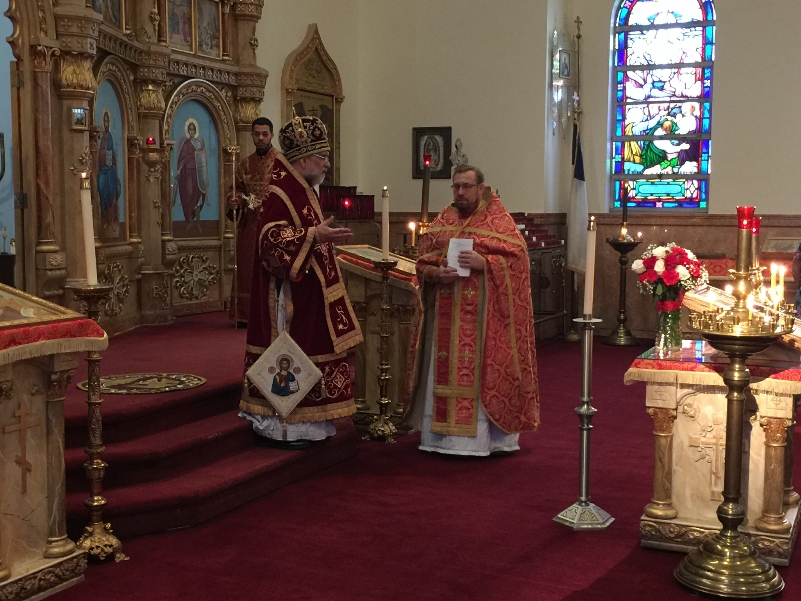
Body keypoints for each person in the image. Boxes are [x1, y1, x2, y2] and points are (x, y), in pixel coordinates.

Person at [239, 114, 363, 449]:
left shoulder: (303, 188)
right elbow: (268, 241)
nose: (326, 165)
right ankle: (282, 428)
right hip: (287, 298)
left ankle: (309, 423)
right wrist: (312, 234)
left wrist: (317, 236)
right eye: (321, 158)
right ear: (304, 159)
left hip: (308, 293)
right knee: (292, 354)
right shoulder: (282, 191)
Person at [404, 165, 540, 456]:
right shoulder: (445, 217)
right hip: (444, 317)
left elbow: (519, 263)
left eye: (466, 187)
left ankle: (484, 441)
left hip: (483, 323)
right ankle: (438, 439)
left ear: (481, 188)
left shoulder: (498, 220)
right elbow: (422, 262)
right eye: (456, 187)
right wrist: (434, 274)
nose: (460, 193)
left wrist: (486, 264)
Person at [226, 117, 278, 326]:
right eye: (257, 134)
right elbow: (236, 189)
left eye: (265, 134)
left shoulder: (281, 163)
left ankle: (272, 313)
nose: (261, 138)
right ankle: (245, 315)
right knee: (247, 268)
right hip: (250, 225)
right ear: (252, 135)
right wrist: (234, 199)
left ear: (272, 135)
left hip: (274, 224)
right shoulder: (245, 164)